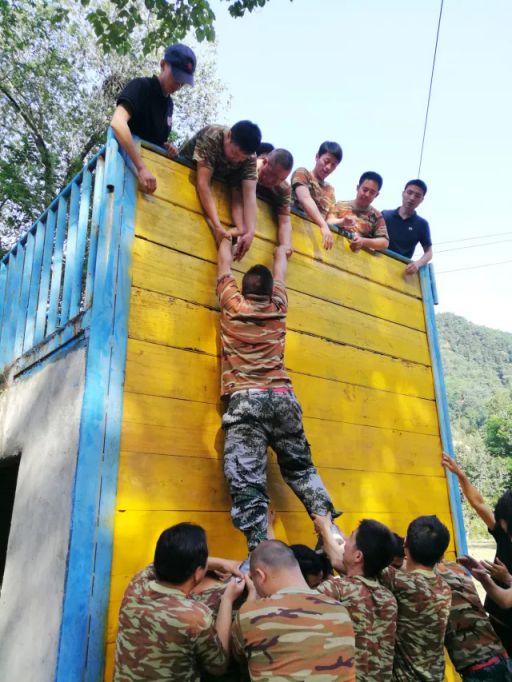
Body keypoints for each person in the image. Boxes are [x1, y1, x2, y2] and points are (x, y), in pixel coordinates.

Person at [216, 236, 340, 553]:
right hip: (284, 397)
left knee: (248, 484)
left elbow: (223, 267)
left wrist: (226, 240)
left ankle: (263, 553)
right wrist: (280, 252)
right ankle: (331, 535)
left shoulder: (232, 305)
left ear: (244, 290)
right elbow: (280, 272)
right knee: (301, 470)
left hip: (246, 400)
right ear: (270, 292)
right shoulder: (279, 306)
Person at [113, 523, 244, 682]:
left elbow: (155, 565)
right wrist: (227, 600)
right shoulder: (195, 616)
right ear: (197, 573)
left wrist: (224, 564)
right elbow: (219, 665)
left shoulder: (136, 585)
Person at [231, 540, 356, 681]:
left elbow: (231, 657)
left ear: (260, 576)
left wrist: (242, 597)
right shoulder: (340, 611)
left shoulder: (250, 613)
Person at [442, 452, 512, 655]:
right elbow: (479, 503)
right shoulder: (503, 535)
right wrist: (460, 476)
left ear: (505, 522)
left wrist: (505, 578)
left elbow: (507, 599)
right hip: (497, 621)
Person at [314, 515, 398, 681]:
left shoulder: (335, 590)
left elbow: (291, 605)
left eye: (349, 539)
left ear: (358, 556)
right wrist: (326, 529)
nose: (344, 544)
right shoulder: (389, 599)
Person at [111, 43, 196, 195]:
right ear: (163, 65)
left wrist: (165, 148)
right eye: (176, 76)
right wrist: (141, 167)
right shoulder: (141, 86)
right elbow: (117, 123)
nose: (179, 84)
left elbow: (150, 138)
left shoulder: (169, 105)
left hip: (147, 185)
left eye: (183, 81)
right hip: (121, 173)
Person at [380, 515, 452, 681]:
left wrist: (327, 528)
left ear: (405, 545)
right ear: (442, 555)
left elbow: (349, 561)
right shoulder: (444, 587)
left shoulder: (399, 582)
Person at [180, 121, 261, 259]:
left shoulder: (250, 157)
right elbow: (203, 183)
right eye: (234, 153)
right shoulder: (212, 136)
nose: (237, 160)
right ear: (229, 136)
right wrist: (217, 226)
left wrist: (249, 232)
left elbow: (249, 195)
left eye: (242, 159)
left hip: (219, 186)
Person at [435, 560, 512, 681]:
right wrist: (484, 578)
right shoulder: (454, 569)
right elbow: (504, 600)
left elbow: (506, 601)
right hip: (496, 655)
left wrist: (507, 578)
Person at [291, 141, 343, 250]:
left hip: (314, 244)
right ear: (317, 157)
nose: (328, 167)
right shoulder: (303, 173)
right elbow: (304, 198)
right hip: (293, 232)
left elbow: (330, 219)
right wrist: (323, 225)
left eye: (333, 165)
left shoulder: (330, 191)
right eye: (326, 161)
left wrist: (343, 222)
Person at [327, 171, 389, 252]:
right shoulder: (340, 205)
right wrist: (342, 221)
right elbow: (328, 221)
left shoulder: (377, 216)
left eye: (372, 192)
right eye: (365, 190)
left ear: (376, 195)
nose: (367, 194)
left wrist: (363, 241)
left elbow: (384, 242)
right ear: (357, 188)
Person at [382, 179, 432, 275]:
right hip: (379, 263)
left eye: (417, 196)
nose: (412, 198)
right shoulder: (385, 215)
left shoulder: (422, 224)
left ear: (422, 200)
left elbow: (429, 253)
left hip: (401, 271)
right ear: (403, 193)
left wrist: (417, 264)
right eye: (409, 193)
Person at [254, 148, 294, 249]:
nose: (275, 181)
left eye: (282, 179)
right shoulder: (250, 165)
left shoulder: (283, 188)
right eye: (273, 175)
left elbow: (285, 222)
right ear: (265, 162)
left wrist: (285, 245)